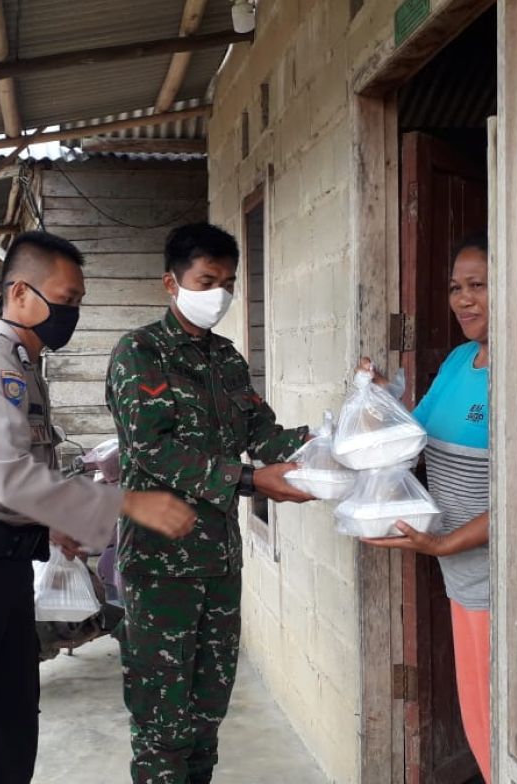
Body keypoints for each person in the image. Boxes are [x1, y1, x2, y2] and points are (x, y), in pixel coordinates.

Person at [0, 230, 196, 784]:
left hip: (1, 570)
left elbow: (21, 475)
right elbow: (10, 479)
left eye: (78, 302)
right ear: (21, 293)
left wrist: (55, 526)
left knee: (5, 735)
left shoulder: (25, 366)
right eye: (66, 299)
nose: (71, 313)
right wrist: (127, 504)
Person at [106, 222, 314, 784]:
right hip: (161, 566)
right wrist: (250, 481)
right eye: (207, 279)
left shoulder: (226, 359)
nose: (219, 294)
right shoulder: (140, 353)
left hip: (220, 562)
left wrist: (333, 441)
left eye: (228, 282)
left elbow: (263, 434)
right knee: (162, 719)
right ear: (171, 283)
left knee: (206, 712)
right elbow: (153, 450)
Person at [362, 234, 493, 783]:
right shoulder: (464, 358)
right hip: (459, 574)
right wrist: (378, 395)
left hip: (498, 582)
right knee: (480, 717)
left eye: (479, 285)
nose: (463, 299)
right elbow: (414, 432)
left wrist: (438, 542)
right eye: (455, 288)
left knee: (501, 724)